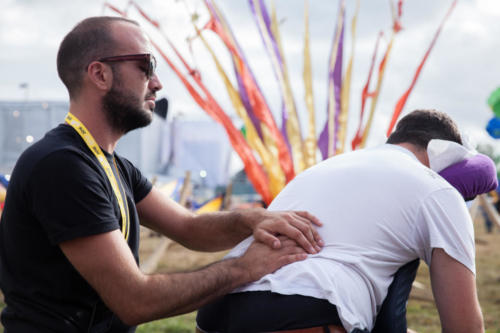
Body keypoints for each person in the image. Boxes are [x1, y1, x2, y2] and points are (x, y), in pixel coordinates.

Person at [0, 16, 324, 332]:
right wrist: (244, 268)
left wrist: (253, 221)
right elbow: (133, 299)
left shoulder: (111, 164)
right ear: (99, 74)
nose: (157, 82)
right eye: (146, 66)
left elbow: (190, 227)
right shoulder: (61, 165)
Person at [196, 109, 487, 333]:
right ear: (447, 156)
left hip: (214, 311)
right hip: (302, 312)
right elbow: (464, 327)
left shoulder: (327, 167)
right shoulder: (438, 191)